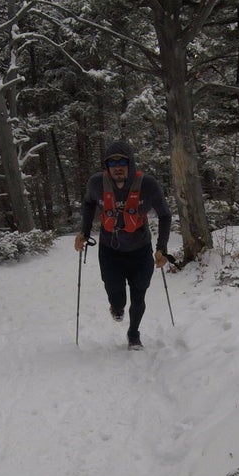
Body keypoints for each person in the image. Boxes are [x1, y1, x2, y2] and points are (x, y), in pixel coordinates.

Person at [74, 140, 172, 350]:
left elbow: (165, 214)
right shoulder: (96, 183)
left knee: (139, 294)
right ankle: (116, 307)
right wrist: (84, 231)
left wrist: (161, 248)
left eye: (122, 162)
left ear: (130, 163)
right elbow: (89, 203)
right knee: (116, 295)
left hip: (140, 249)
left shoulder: (148, 185)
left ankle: (134, 334)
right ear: (106, 166)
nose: (117, 167)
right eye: (112, 163)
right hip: (110, 250)